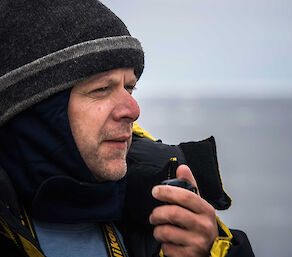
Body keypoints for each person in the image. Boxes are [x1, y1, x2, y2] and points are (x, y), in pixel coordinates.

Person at [0, 1, 254, 256]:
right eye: (101, 89)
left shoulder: (163, 217)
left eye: (129, 87)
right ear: (33, 111)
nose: (133, 110)